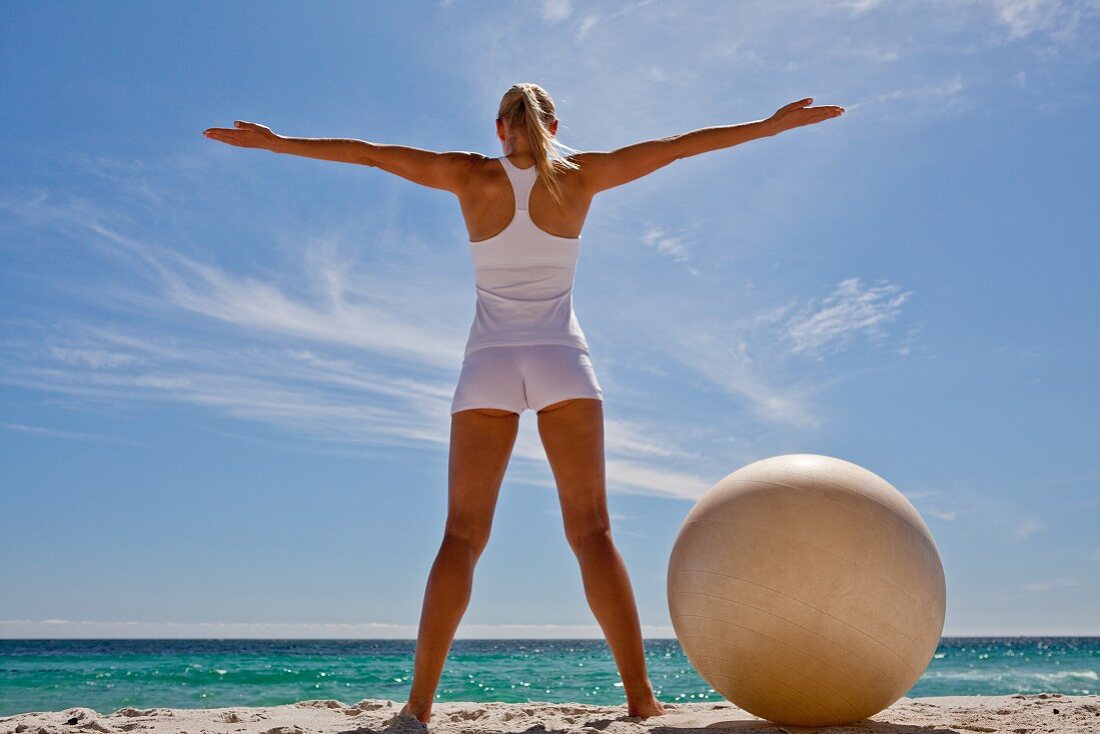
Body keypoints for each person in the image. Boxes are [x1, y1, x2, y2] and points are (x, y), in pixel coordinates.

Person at [203, 83, 843, 724]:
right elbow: (675, 150)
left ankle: (419, 708)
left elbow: (371, 155)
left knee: (460, 536)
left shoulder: (467, 174)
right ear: (553, 123)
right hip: (562, 360)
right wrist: (766, 126)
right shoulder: (582, 176)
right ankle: (641, 701)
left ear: (499, 128)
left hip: (488, 365)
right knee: (592, 534)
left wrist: (278, 143)